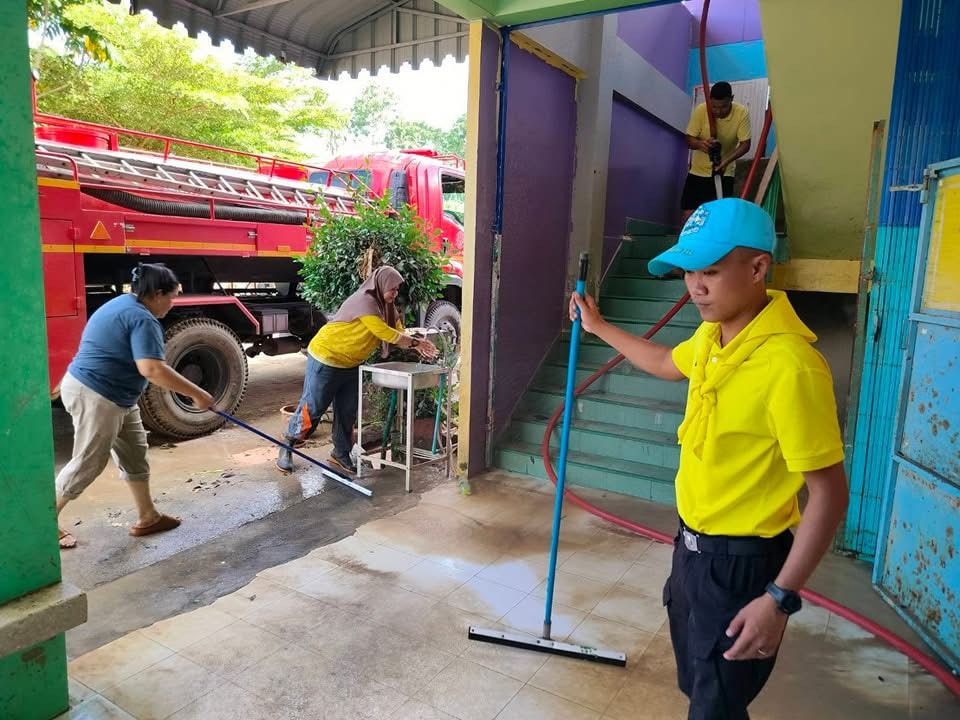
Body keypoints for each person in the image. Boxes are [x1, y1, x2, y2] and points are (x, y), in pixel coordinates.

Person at [571, 198, 848, 720]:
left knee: (715, 707)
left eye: (711, 272)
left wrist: (779, 598)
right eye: (690, 271)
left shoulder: (791, 367)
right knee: (700, 688)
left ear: (758, 268)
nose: (695, 287)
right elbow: (664, 361)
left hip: (743, 565)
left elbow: (829, 495)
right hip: (691, 553)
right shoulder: (711, 337)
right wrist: (597, 325)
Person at [56, 263, 215, 549]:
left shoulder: (124, 304)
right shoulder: (142, 319)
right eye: (171, 297)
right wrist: (198, 394)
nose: (172, 304)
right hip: (97, 394)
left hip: (115, 396)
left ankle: (148, 516)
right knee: (88, 462)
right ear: (157, 294)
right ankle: (43, 525)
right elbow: (152, 369)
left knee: (135, 453)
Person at [277, 265, 438, 475]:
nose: (395, 293)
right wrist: (416, 343)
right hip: (327, 357)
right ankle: (287, 445)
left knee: (347, 411)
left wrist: (417, 342)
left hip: (351, 363)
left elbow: (398, 331)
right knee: (313, 408)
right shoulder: (365, 303)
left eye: (397, 289)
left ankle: (340, 453)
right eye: (392, 288)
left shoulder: (387, 307)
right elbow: (385, 333)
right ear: (381, 285)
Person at [681, 81, 752, 225]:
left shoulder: (741, 113)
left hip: (724, 172)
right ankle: (687, 239)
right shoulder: (701, 110)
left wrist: (726, 162)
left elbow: (745, 144)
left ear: (731, 99)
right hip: (698, 172)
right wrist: (701, 144)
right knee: (689, 214)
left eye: (724, 106)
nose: (718, 111)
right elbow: (689, 139)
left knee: (720, 215)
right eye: (714, 107)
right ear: (710, 101)